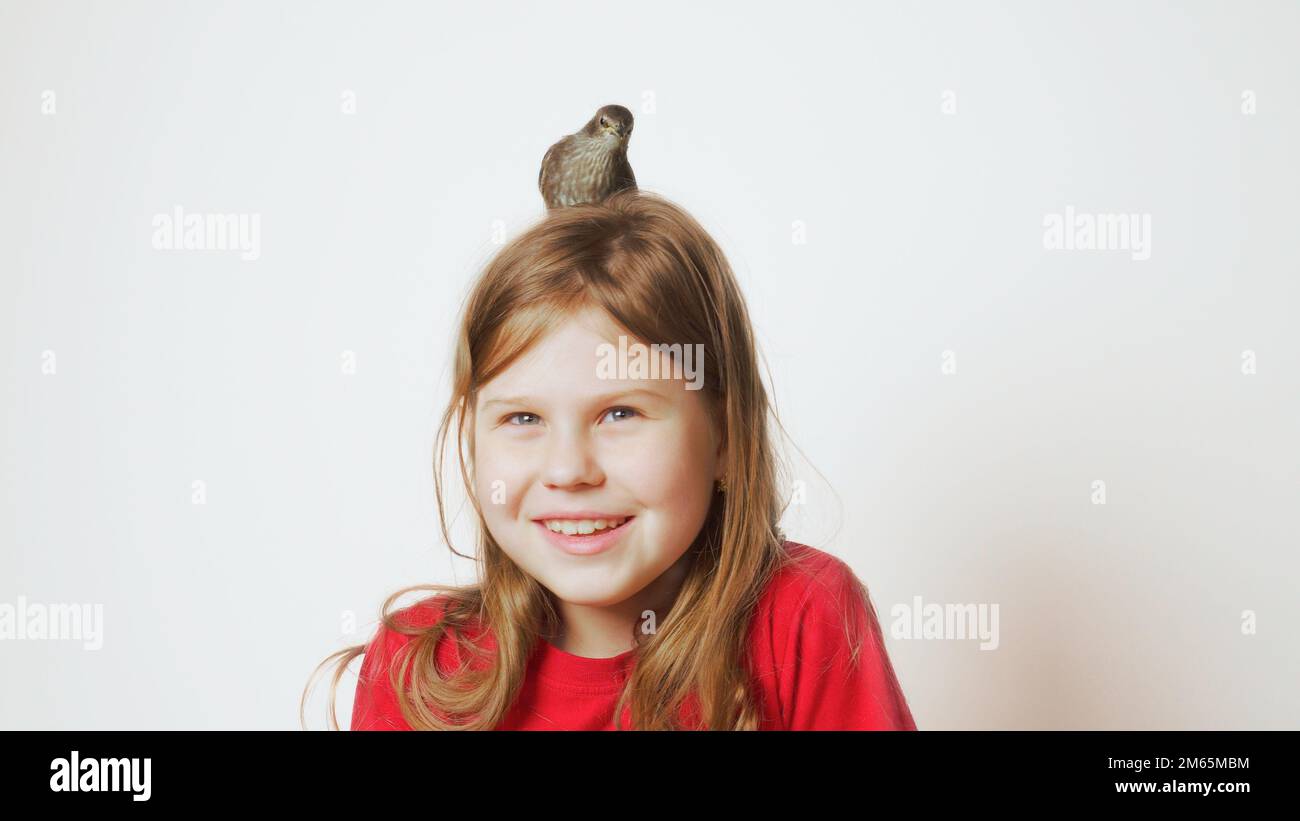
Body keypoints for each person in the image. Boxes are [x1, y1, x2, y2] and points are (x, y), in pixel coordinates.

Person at [302, 189, 917, 730]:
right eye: (523, 419)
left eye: (620, 414)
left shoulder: (802, 619)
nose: (568, 470)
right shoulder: (420, 670)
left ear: (726, 438)